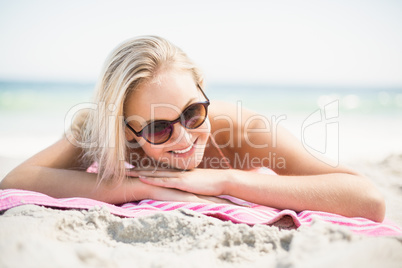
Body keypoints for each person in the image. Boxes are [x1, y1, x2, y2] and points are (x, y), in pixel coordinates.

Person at [0, 35, 385, 222]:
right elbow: (14, 182)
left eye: (192, 112)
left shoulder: (236, 127)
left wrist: (225, 182)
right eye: (157, 129)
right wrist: (142, 186)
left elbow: (368, 199)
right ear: (128, 132)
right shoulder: (100, 130)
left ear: (204, 90)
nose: (184, 138)